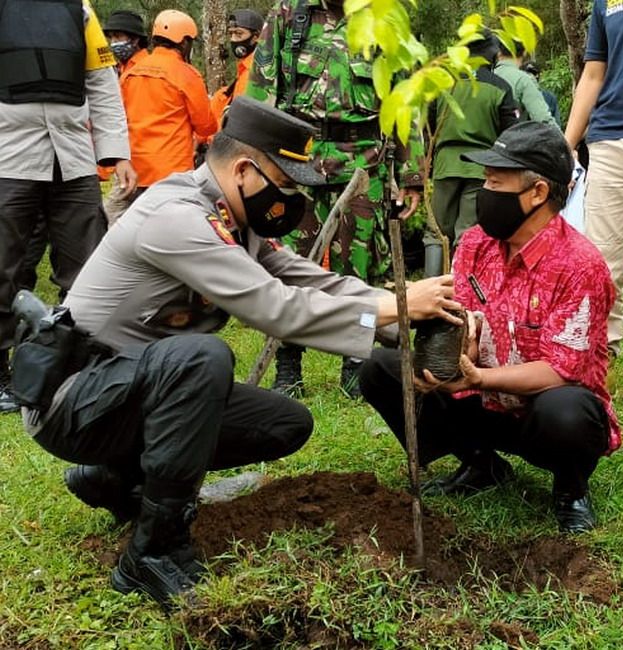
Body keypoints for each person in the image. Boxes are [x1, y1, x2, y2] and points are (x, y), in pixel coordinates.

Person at [17, 96, 460, 607]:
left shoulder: (233, 217)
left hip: (127, 391)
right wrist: (394, 305)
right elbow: (277, 308)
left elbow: (307, 280)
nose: (292, 201)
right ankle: (154, 553)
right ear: (246, 171)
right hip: (73, 401)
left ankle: (117, 478)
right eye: (288, 187)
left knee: (284, 422)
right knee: (200, 358)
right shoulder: (176, 216)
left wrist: (401, 317)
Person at [360, 121, 620, 534]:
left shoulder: (579, 264)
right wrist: (446, 354)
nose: (484, 192)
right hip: (482, 400)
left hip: (541, 410)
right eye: (485, 180)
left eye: (495, 182)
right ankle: (481, 464)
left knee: (566, 411)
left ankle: (571, 489)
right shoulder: (477, 243)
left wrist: (479, 377)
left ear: (537, 192)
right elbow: (461, 316)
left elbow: (560, 370)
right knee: (382, 369)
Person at [247, 0, 425, 399]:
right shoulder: (290, 14)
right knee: (288, 266)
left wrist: (411, 175)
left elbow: (405, 102)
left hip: (363, 161)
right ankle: (288, 367)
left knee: (357, 269)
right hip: (295, 161)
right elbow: (260, 90)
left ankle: (355, 367)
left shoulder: (384, 18)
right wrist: (252, 160)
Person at [0, 0, 136, 414]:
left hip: (74, 156)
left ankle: (78, 370)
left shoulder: (79, 10)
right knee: (1, 267)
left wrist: (118, 153)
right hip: (9, 155)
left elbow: (102, 81)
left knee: (89, 268)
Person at [564, 0, 623, 357]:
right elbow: (593, 74)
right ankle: (600, 354)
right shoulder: (605, 3)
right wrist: (566, 146)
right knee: (601, 261)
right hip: (607, 138)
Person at [428, 31, 520, 250]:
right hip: (481, 167)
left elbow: (429, 125)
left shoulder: (442, 83)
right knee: (467, 231)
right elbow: (510, 133)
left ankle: (431, 282)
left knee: (436, 232)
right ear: (494, 55)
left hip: (444, 165)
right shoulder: (500, 87)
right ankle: (460, 282)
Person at [118, 9, 215, 200]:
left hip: (135, 172)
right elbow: (206, 126)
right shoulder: (187, 74)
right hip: (173, 173)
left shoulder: (131, 73)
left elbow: (118, 119)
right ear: (184, 42)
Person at [100, 10, 149, 225]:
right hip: (129, 160)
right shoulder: (121, 70)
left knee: (108, 216)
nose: (113, 42)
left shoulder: (144, 71)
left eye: (118, 36)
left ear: (135, 39)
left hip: (143, 163)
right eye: (111, 37)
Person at [209, 9, 264, 133]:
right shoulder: (244, 68)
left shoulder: (254, 71)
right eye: (231, 34)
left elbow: (239, 116)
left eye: (239, 34)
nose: (233, 39)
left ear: (256, 37)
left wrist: (211, 138)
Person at [494, 40, 557, 127]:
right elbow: (543, 118)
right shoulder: (523, 80)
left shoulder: (485, 77)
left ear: (498, 52)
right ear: (524, 52)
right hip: (513, 137)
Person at [521, 61, 562, 127]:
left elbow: (557, 123)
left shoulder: (549, 97)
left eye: (533, 73)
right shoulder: (518, 96)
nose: (530, 76)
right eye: (527, 73)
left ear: (538, 75)